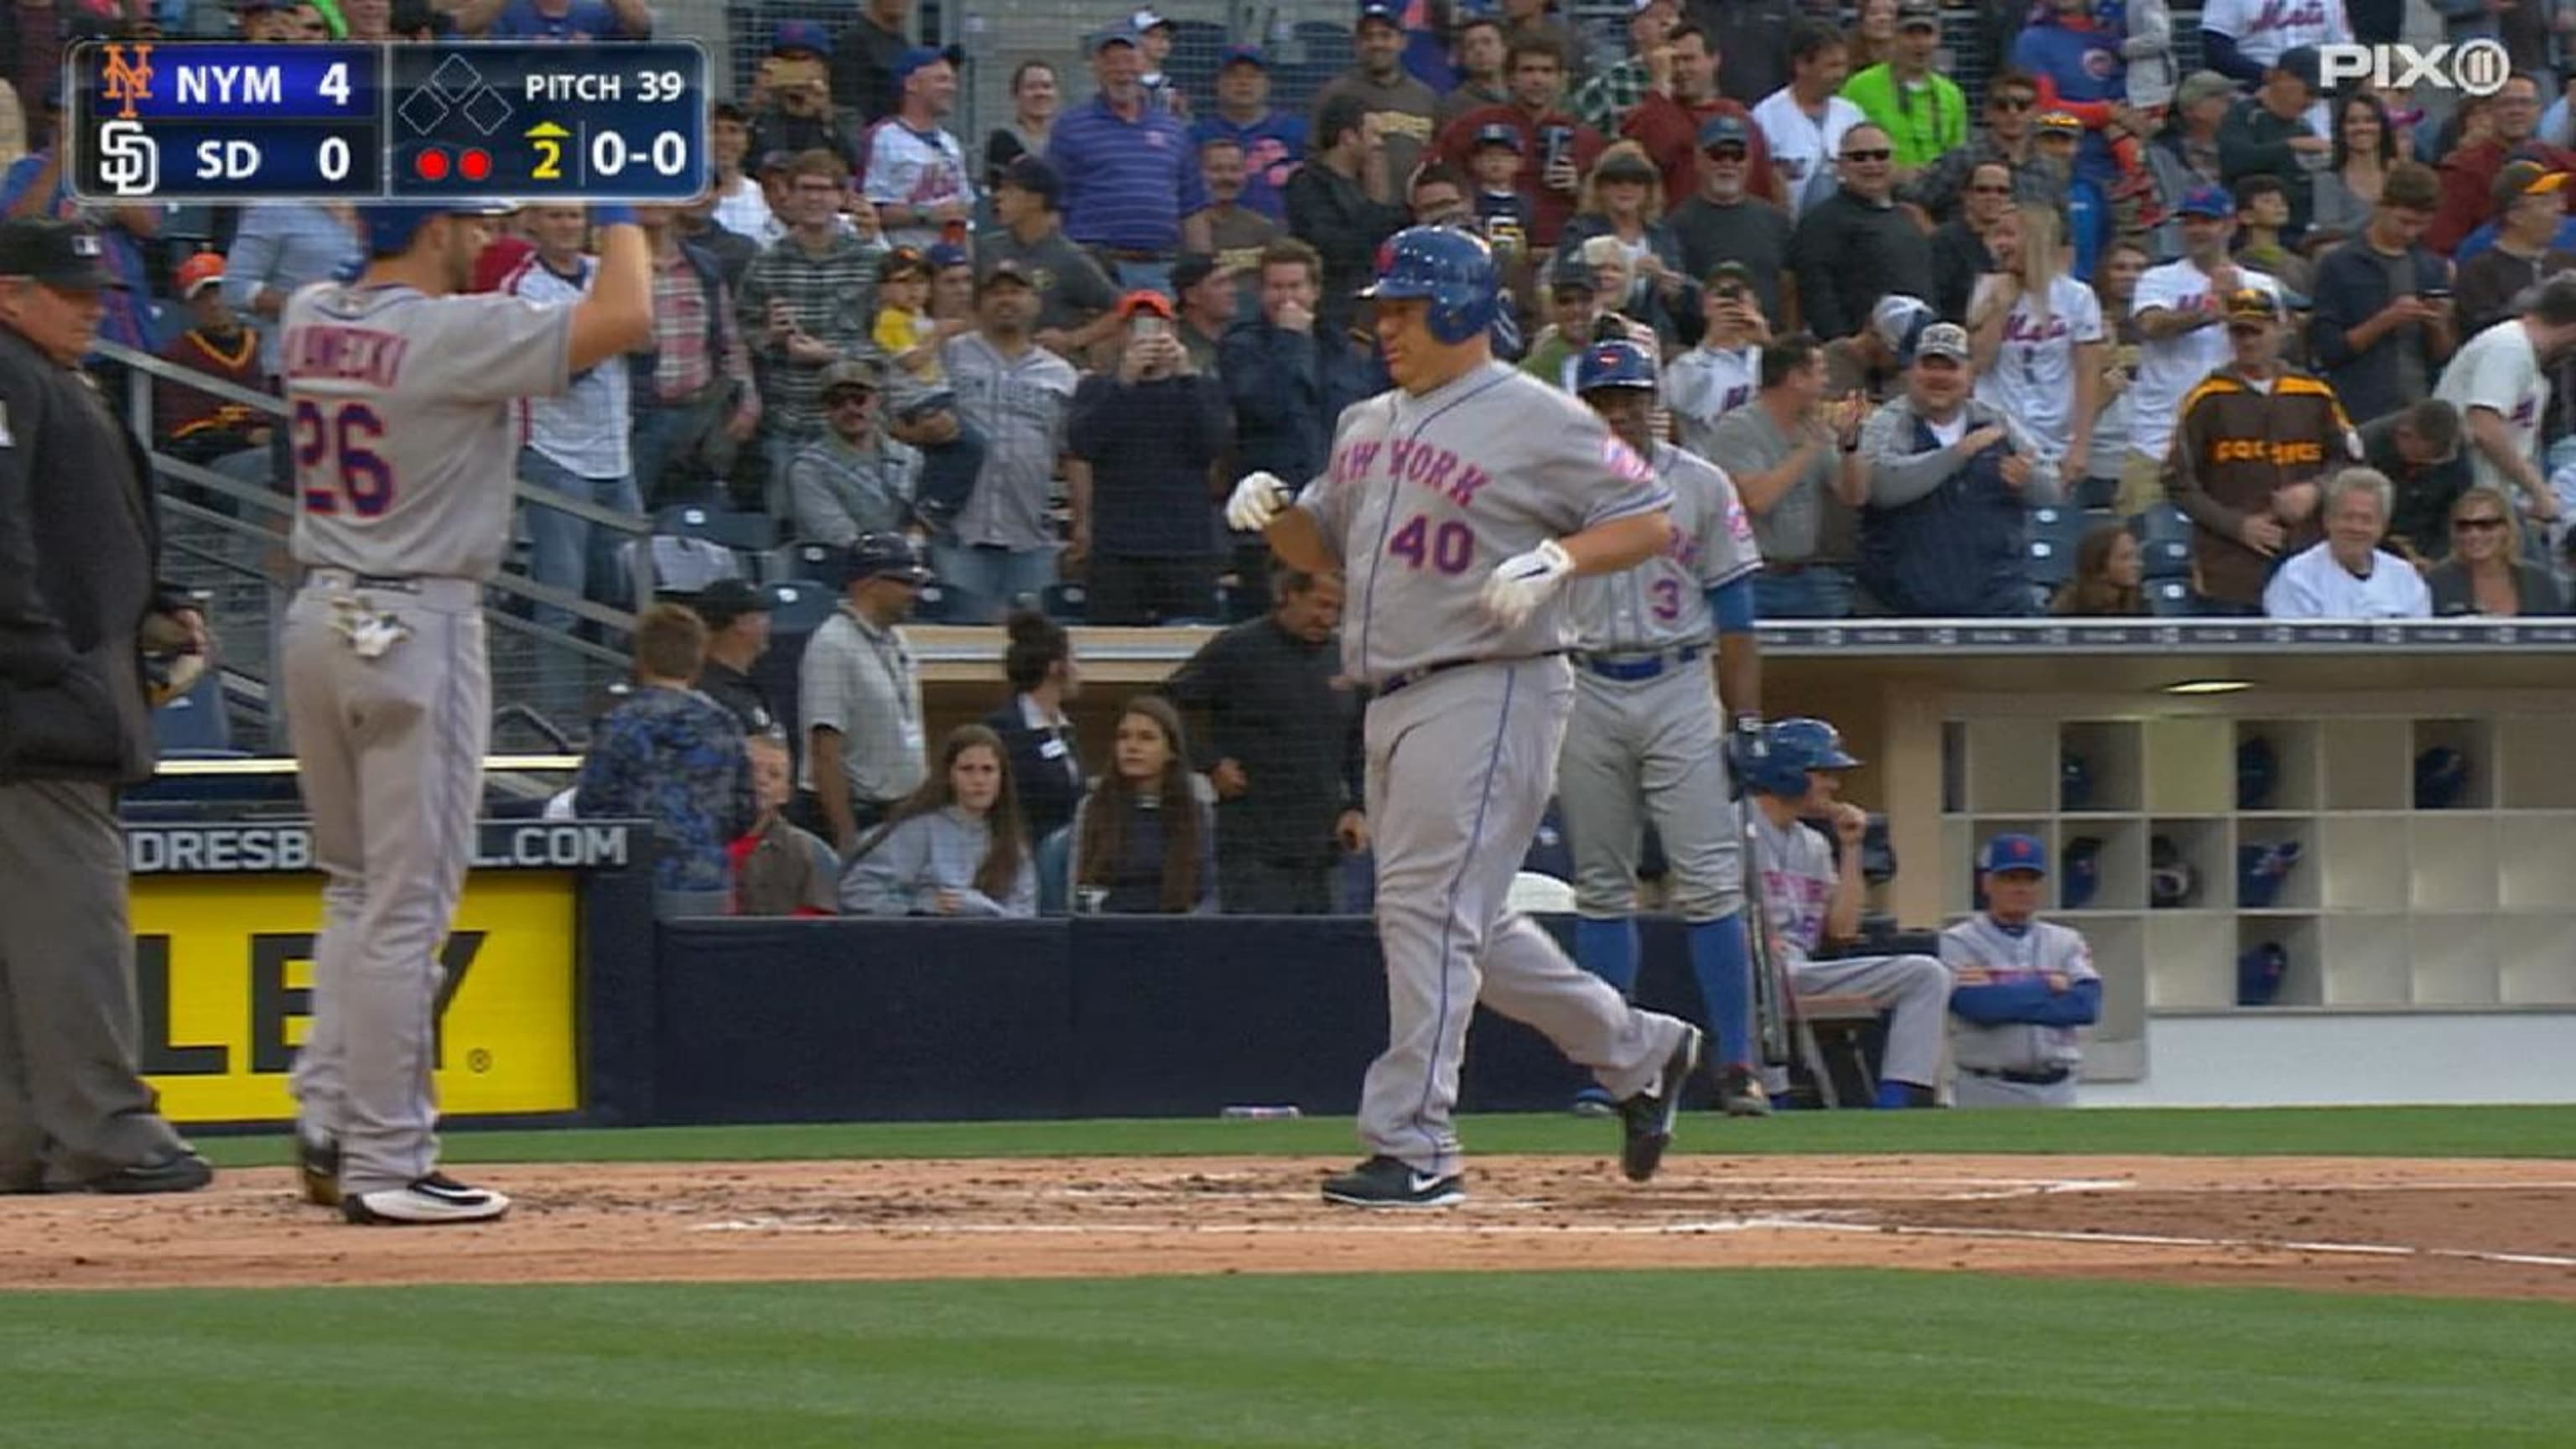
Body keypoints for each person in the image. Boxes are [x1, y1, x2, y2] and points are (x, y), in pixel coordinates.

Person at [1225, 226, 1706, 1207]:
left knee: (1427, 912)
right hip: (1393, 690)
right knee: (1462, 925)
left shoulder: (1534, 414)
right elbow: (1323, 549)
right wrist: (1274, 514)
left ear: (1455, 306)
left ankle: (1416, 1143)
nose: (1385, 326)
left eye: (1402, 308)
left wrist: (1562, 559)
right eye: (1382, 310)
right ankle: (1639, 1053)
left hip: (1495, 679)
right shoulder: (1366, 422)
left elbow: (1654, 515)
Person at [278, 200, 652, 1224]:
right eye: (464, 220)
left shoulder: (310, 311)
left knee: (356, 890)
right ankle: (387, 1161)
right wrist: (617, 202)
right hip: (417, 617)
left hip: (319, 613)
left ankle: (328, 1122)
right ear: (432, 225)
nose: (480, 235)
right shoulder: (447, 333)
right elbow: (626, 314)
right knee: (408, 903)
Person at [0, 218, 216, 1197]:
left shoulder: (46, 374)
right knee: (75, 924)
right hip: (38, 710)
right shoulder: (11, 374)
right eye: (68, 291)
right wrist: (45, 655)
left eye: (94, 291)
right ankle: (105, 1130)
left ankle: (24, 1137)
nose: (93, 305)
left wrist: (157, 597)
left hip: (50, 696)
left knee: (22, 938)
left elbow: (86, 520)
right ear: (10, 293)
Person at [1556, 339, 1772, 1118]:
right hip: (1584, 680)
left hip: (1681, 677)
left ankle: (1738, 1064)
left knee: (1710, 883)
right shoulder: (1553, 485)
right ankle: (1612, 1066)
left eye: (1631, 396)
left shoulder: (1701, 484)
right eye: (1605, 396)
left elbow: (1738, 613)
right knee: (1602, 888)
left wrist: (1745, 719)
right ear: (1583, 404)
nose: (1620, 409)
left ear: (1655, 401)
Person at [1742, 719, 1947, 1109]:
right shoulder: (1735, 827)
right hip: (1746, 972)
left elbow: (1842, 930)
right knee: (1760, 972)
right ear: (1787, 771)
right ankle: (1774, 1097)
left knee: (1927, 974)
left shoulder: (1815, 845)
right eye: (1823, 774)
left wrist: (1851, 847)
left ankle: (1896, 1099)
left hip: (1800, 970)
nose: (1833, 786)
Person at [1163, 570, 1368, 915]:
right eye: (1321, 605)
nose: (1328, 618)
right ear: (1289, 594)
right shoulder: (1237, 648)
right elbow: (1165, 705)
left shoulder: (1345, 659)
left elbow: (1360, 743)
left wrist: (1358, 806)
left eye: (1338, 609)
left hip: (1323, 849)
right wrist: (1210, 763)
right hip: (1253, 848)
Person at [2164, 288, 2355, 614]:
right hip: (2231, 565)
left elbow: (2349, 461)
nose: (2248, 341)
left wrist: (2316, 490)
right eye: (2239, 332)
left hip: (2309, 554)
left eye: (2257, 330)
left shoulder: (2314, 393)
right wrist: (2237, 526)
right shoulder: (2207, 398)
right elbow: (2177, 481)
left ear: (2280, 329)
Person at [1856, 320, 2063, 615]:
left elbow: (2051, 489)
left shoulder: (1997, 423)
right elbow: (1881, 485)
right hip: (1902, 609)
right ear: (1912, 371)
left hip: (1997, 606)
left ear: (1970, 374)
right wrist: (1956, 454)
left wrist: (2028, 480)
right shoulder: (1888, 421)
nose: (1939, 376)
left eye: (1950, 367)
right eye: (1929, 365)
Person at [1220, 239, 1375, 612]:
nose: (1285, 297)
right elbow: (1264, 406)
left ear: (1315, 291)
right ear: (1260, 292)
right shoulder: (1241, 346)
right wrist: (1291, 341)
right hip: (1267, 518)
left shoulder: (1343, 348)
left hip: (1334, 517)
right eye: (1276, 287)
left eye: (1295, 287)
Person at [572, 605, 755, 919]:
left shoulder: (619, 723)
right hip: (708, 881)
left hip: (631, 884)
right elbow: (744, 811)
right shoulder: (726, 723)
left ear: (641, 659)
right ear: (699, 658)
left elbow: (591, 805)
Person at [737, 149, 888, 520]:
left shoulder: (870, 262)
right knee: (788, 534)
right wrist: (770, 336)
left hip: (854, 428)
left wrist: (832, 354)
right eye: (804, 188)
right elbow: (741, 334)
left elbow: (892, 346)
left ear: (841, 197)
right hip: (788, 422)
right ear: (787, 195)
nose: (814, 198)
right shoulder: (767, 261)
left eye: (824, 189)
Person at [1067, 293, 1233, 624]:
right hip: (1118, 551)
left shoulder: (1201, 389)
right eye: (1136, 326)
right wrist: (1124, 382)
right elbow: (1083, 444)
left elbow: (1211, 444)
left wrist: (1186, 375)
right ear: (1122, 334)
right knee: (1113, 653)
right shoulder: (1097, 389)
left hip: (1186, 549)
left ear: (1172, 331)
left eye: (1157, 326)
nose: (1147, 336)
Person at [2122, 184, 2284, 516]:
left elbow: (2278, 346)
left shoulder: (2259, 285)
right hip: (2158, 436)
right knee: (2140, 534)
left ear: (2229, 225)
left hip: (2233, 438)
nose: (2197, 230)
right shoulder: (2158, 278)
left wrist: (2242, 307)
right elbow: (2150, 325)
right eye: (2190, 222)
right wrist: (2211, 311)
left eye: (2207, 221)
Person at [938, 259, 1082, 623]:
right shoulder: (948, 356)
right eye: (995, 292)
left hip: (1031, 534)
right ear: (978, 303)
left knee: (1032, 650)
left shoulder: (1060, 373)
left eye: (1016, 291)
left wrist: (1084, 521)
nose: (1006, 300)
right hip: (960, 531)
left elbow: (1075, 454)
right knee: (962, 646)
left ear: (1035, 302)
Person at [1707, 333, 1867, 619]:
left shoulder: (1814, 426)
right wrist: (1809, 449)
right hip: (1755, 578)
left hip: (1808, 575)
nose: (1827, 383)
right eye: (1821, 373)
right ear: (1796, 378)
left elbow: (1853, 496)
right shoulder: (1738, 429)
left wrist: (1849, 446)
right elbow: (1757, 501)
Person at [1046, 29, 1212, 295]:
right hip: (1095, 270)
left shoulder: (1173, 129)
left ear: (1144, 64)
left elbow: (1191, 207)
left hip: (1162, 272)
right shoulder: (1069, 128)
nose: (1121, 69)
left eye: (1128, 59)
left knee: (1156, 338)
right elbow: (1053, 206)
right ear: (1096, 68)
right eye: (1111, 61)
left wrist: (1202, 275)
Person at [1941, 833, 2100, 1109]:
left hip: (2059, 1088)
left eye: (2030, 879)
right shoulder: (1958, 941)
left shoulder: (2066, 940)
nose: (2022, 888)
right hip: (1987, 1087)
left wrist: (2001, 988)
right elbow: (1979, 1007)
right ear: (1987, 883)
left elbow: (2085, 1006)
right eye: (2011, 878)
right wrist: (2047, 985)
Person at [797, 532, 932, 854]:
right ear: (867, 584)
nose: (916, 593)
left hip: (897, 816)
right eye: (905, 583)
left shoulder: (897, 639)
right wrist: (846, 836)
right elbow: (825, 751)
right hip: (855, 816)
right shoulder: (832, 645)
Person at [631, 202, 760, 510]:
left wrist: (748, 400)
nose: (653, 203)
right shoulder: (609, 269)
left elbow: (730, 339)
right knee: (626, 529)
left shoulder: (704, 266)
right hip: (636, 421)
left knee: (697, 531)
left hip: (700, 419)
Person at [2308, 160, 2451, 429]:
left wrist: (2439, 326)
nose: (2411, 232)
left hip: (2420, 407)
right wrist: (2386, 320)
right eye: (2404, 222)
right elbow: (2328, 350)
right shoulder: (2339, 265)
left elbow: (2443, 355)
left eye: (2422, 225)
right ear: (2381, 207)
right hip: (2360, 409)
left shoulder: (2432, 267)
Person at [1432, 36, 1609, 252]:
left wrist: (1578, 188)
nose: (1538, 80)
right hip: (1490, 247)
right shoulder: (1473, 125)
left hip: (1562, 249)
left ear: (1563, 80)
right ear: (1509, 78)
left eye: (1547, 71)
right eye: (1528, 70)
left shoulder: (1585, 137)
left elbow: (1610, 203)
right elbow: (1435, 178)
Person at [841, 724, 1038, 917]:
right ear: (949, 775)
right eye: (967, 769)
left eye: (988, 770)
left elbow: (1026, 915)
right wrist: (917, 908)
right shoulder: (917, 831)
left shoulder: (1013, 843)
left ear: (1001, 778)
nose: (978, 780)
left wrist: (987, 910)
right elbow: (857, 893)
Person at [2433, 276, 2576, 539]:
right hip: (2466, 501)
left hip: (2493, 502)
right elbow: (2484, 427)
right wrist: (2537, 491)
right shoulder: (2509, 348)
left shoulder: (2525, 352)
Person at [1968, 202, 2106, 473]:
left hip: (2055, 442)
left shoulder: (2077, 296)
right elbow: (1977, 364)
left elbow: (2088, 376)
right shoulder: (1986, 289)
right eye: (1996, 235)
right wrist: (2001, 307)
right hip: (1996, 438)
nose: (2000, 244)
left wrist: (2080, 448)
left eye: (2009, 234)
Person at [1067, 696, 1220, 915]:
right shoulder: (1092, 808)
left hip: (1177, 934)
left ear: (1171, 751)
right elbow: (1076, 895)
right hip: (1107, 933)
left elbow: (1209, 896)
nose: (1132, 747)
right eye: (1124, 737)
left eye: (1146, 738)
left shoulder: (1196, 813)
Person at [1787, 122, 1936, 343]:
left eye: (1881, 155)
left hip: (1917, 353)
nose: (1871, 164)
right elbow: (1818, 297)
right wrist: (1844, 350)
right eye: (1859, 157)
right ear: (1840, 165)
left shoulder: (1907, 217)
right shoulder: (1822, 222)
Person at [1618, 23, 1778, 213]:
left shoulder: (1738, 118)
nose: (1680, 69)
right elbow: (1655, 152)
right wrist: (1660, 85)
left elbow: (1763, 186)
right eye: (1673, 62)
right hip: (1671, 231)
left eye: (1689, 59)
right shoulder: (1649, 113)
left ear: (1714, 60)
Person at [1286, 95, 1411, 338]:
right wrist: (1375, 204)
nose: (1379, 144)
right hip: (1331, 317)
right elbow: (1335, 250)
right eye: (1373, 134)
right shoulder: (1308, 185)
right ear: (1348, 137)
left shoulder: (1363, 186)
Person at [978, 157, 1122, 357]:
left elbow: (1121, 309)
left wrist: (1074, 339)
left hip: (1049, 366)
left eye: (1009, 190)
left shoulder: (1069, 257)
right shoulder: (989, 248)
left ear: (1035, 200)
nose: (998, 197)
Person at [1666, 116, 1792, 325]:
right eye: (1717, 155)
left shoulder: (1775, 220)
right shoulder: (1678, 225)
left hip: (1767, 344)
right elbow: (1674, 296)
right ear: (1698, 159)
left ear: (1750, 161)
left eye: (1737, 156)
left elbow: (1789, 287)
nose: (1728, 164)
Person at [2262, 467, 2434, 618]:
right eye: (2347, 517)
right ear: (2327, 520)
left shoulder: (2405, 578)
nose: (2356, 528)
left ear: (2383, 526)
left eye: (2367, 519)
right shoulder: (2296, 577)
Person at [788, 358, 922, 548]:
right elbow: (835, 532)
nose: (850, 409)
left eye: (859, 399)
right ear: (825, 410)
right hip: (840, 566)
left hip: (909, 563)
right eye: (837, 402)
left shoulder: (910, 458)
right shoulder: (809, 468)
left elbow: (923, 519)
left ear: (876, 401)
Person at [1315, 0, 1444, 195]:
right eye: (1368, 37)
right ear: (1357, 45)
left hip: (1412, 211)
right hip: (1354, 212)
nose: (1377, 44)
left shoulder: (1426, 97)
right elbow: (1315, 155)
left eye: (1386, 36)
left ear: (1403, 42)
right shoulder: (1336, 94)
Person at [860, 48, 976, 253]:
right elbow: (866, 210)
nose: (951, 88)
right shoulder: (883, 137)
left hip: (948, 266)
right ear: (911, 84)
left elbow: (965, 206)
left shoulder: (951, 143)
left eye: (952, 80)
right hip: (901, 261)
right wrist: (926, 214)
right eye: (941, 80)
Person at [985, 610, 1086, 845]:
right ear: (1054, 667)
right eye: (1074, 659)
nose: (1078, 670)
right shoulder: (1003, 730)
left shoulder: (1065, 730)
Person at [1753, 20, 1868, 217]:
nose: (1840, 74)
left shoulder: (1852, 114)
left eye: (1843, 65)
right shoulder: (1766, 117)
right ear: (1802, 65)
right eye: (1832, 66)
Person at [1840, 0, 1966, 179]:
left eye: (1927, 34)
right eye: (1910, 34)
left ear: (1938, 38)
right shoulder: (1859, 87)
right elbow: (1842, 150)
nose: (1919, 43)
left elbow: (1958, 156)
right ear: (1894, 36)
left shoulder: (1952, 94)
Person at [2457, 164, 2576, 342]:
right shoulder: (2481, 271)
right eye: (2546, 202)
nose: (2559, 209)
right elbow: (2484, 335)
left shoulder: (2567, 263)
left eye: (2560, 199)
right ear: (2515, 215)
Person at [1192, 44, 1307, 225]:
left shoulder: (1296, 132)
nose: (1243, 83)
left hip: (1279, 237)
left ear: (1267, 84)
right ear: (1219, 83)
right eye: (1234, 76)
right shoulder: (1197, 136)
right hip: (1214, 233)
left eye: (1252, 76)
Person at [1665, 261, 1769, 455]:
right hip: (1709, 471)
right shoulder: (1685, 366)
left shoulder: (1770, 357)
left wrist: (1767, 344)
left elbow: (1795, 396)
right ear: (1705, 307)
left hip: (1764, 469)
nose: (1731, 298)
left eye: (1738, 291)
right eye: (1720, 293)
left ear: (1755, 302)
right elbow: (1684, 406)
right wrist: (1711, 343)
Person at [732, 735, 841, 917]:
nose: (761, 780)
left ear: (785, 793)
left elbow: (815, 929)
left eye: (774, 775)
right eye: (751, 770)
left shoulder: (809, 853)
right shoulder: (696, 845)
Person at [2428, 486, 2568, 615]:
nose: (2474, 534)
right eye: (2463, 526)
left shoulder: (2539, 581)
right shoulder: (2436, 582)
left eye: (2486, 525)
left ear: (2507, 529)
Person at [2365, 398, 2471, 558]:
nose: (2430, 467)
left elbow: (2457, 512)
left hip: (2429, 541)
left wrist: (2434, 559)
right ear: (2405, 435)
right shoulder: (2367, 445)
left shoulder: (2454, 450)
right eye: (2424, 459)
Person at [2306, 91, 2398, 256]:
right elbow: (2328, 233)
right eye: (2352, 122)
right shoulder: (2328, 181)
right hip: (2349, 258)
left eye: (2370, 121)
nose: (2362, 128)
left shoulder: (2400, 178)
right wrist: (2379, 216)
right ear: (2342, 129)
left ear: (2382, 127)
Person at [689, 578, 779, 739]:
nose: (769, 623)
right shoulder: (709, 693)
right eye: (761, 616)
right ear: (741, 623)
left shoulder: (751, 683)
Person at [1930, 159, 2015, 323]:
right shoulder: (1945, 241)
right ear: (1966, 195)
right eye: (1983, 190)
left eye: (2002, 191)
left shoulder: (2020, 242)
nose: (1993, 197)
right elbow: (1936, 299)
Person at [983, 59, 1062, 192]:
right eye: (1031, 87)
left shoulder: (1067, 138)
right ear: (1015, 95)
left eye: (1047, 86)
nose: (1040, 93)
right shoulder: (1003, 141)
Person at [2054, 522, 2145, 615]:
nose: (2138, 564)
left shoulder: (2141, 604)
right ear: (2100, 564)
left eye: (2137, 557)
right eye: (2126, 558)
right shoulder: (2070, 606)